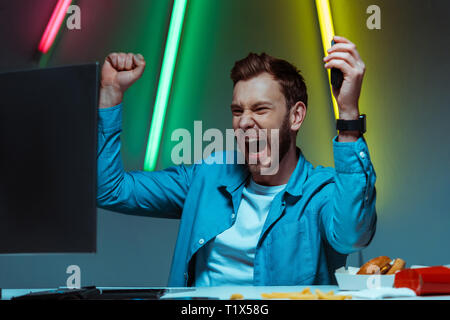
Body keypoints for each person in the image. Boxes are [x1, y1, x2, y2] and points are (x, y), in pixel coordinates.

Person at [96, 35, 376, 287]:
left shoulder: (321, 191)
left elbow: (353, 235)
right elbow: (109, 190)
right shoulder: (207, 177)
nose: (243, 121)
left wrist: (348, 113)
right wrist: (110, 93)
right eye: (237, 110)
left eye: (260, 109)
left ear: (296, 116)